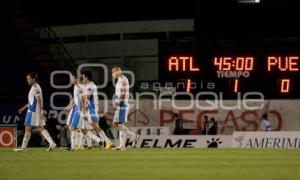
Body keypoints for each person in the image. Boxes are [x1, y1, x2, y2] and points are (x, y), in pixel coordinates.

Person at [14, 72, 56, 152]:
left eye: (29, 79)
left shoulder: (36, 87)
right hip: (32, 110)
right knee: (36, 127)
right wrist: (23, 108)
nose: (27, 80)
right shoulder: (34, 87)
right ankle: (51, 143)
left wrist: (40, 113)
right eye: (27, 79)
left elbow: (39, 100)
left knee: (30, 127)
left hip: (33, 111)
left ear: (33, 79)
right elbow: (31, 101)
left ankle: (23, 148)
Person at [81, 71, 113, 150]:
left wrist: (82, 96)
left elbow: (86, 98)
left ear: (86, 78)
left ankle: (107, 141)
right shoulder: (88, 86)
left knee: (95, 127)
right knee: (86, 128)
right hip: (90, 109)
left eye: (83, 77)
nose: (82, 79)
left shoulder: (90, 86)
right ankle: (101, 141)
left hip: (91, 109)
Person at [111, 66, 138, 150]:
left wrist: (117, 102)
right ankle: (122, 146)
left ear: (117, 71)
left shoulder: (123, 80)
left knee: (115, 123)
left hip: (122, 104)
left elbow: (123, 93)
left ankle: (133, 136)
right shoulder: (120, 79)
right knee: (120, 124)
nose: (112, 75)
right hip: (121, 103)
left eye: (113, 73)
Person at [64, 72, 85, 151]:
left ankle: (74, 146)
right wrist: (70, 107)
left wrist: (84, 111)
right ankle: (74, 146)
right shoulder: (76, 86)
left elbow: (82, 99)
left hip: (79, 110)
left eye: (72, 78)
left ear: (76, 79)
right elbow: (76, 100)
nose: (71, 80)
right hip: (77, 109)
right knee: (74, 128)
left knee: (73, 127)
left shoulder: (79, 87)